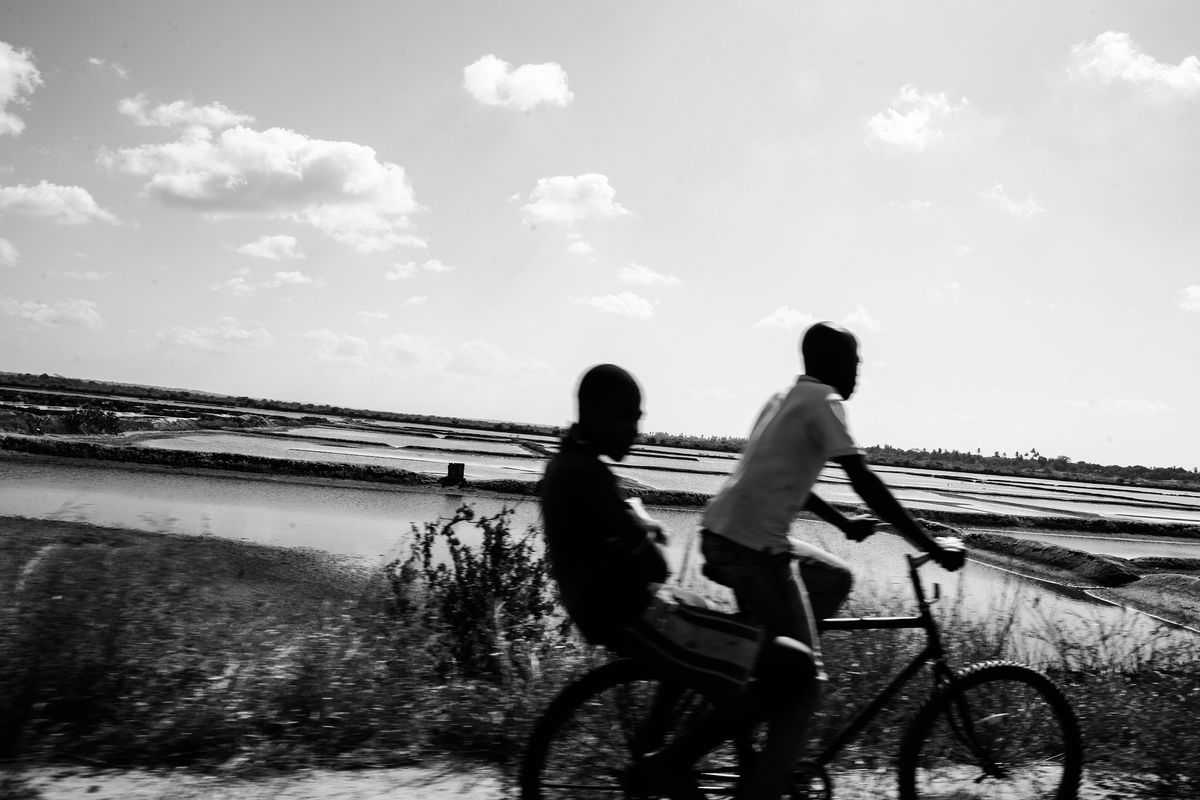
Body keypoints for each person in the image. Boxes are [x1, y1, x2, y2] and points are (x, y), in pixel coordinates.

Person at [699, 321, 966, 799]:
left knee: (836, 576)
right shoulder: (826, 403)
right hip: (753, 548)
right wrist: (932, 547)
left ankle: (771, 677)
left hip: (725, 533)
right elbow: (867, 484)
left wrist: (844, 526)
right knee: (805, 684)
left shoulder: (785, 398)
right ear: (831, 363)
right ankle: (768, 774)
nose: (860, 369)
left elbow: (788, 480)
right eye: (854, 359)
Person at [541, 364, 821, 800]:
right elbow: (657, 568)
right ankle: (672, 762)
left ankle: (654, 749)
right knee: (797, 666)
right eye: (626, 417)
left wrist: (632, 525)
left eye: (638, 418)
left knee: (709, 614)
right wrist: (644, 524)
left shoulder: (565, 464)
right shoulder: (590, 476)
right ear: (594, 414)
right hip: (641, 617)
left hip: (611, 612)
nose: (635, 430)